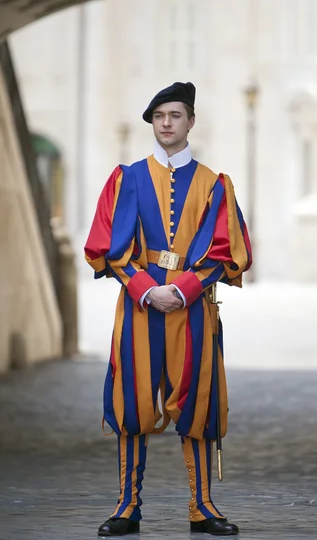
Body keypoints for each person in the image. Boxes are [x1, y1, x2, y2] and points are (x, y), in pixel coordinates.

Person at [84, 81, 252, 536]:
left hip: (193, 309)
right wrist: (145, 288)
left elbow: (226, 251)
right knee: (133, 404)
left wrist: (182, 291)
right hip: (139, 308)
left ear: (190, 121)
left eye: (175, 115)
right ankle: (126, 506)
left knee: (197, 404)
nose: (166, 123)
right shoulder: (127, 179)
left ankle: (202, 507)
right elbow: (107, 247)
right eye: (159, 117)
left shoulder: (215, 184)